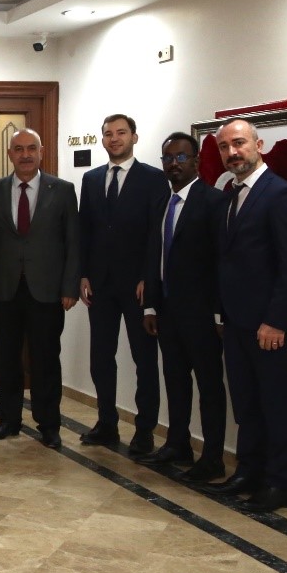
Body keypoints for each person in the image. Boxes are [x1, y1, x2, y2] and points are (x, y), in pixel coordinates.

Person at [206, 118, 287, 512]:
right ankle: (248, 472)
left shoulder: (280, 194)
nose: (233, 152)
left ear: (258, 145)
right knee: (246, 403)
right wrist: (223, 315)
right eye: (225, 146)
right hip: (237, 323)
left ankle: (279, 484)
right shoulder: (231, 196)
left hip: (270, 326)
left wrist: (276, 320)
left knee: (276, 405)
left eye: (239, 143)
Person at [0, 128, 79, 450]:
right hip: (5, 288)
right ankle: (8, 419)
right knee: (7, 357)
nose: (25, 155)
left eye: (31, 148)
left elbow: (73, 242)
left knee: (45, 358)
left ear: (41, 152)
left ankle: (49, 424)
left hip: (47, 289)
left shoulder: (62, 190)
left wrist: (70, 286)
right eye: (19, 149)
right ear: (10, 154)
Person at [77, 114, 169, 455]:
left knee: (144, 359)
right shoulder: (91, 179)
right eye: (108, 134)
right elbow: (85, 229)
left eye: (121, 133)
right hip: (99, 284)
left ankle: (144, 430)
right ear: (102, 139)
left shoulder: (154, 179)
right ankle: (106, 423)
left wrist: (149, 276)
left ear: (134, 137)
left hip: (137, 286)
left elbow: (157, 233)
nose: (114, 138)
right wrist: (83, 274)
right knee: (101, 357)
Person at [140, 132, 227, 481]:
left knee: (209, 386)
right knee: (175, 381)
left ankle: (213, 458)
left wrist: (219, 312)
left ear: (195, 161)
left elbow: (222, 262)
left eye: (180, 157)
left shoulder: (214, 201)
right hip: (167, 311)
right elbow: (154, 255)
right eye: (167, 158)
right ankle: (178, 444)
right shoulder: (162, 201)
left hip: (202, 314)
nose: (173, 164)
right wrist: (150, 307)